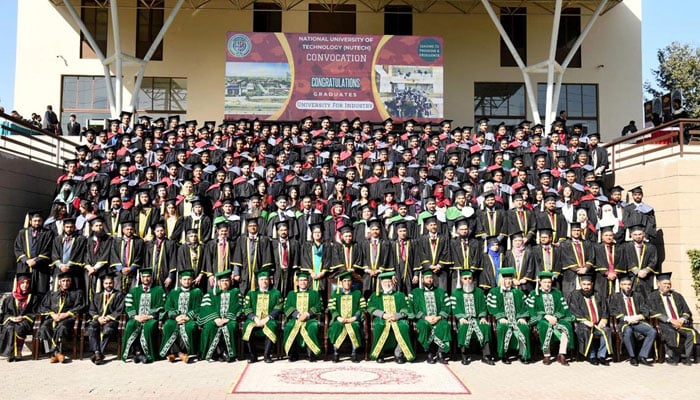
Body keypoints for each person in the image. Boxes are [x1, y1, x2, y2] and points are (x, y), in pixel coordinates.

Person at [648, 272, 698, 365]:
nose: (667, 286)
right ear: (658, 284)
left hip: (680, 322)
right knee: (671, 333)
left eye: (669, 284)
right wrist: (669, 320)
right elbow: (652, 312)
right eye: (665, 284)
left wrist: (682, 319)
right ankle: (672, 356)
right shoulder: (652, 296)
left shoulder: (677, 296)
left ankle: (686, 357)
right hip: (664, 323)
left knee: (691, 333)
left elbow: (687, 311)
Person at [527, 271, 574, 366]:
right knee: (544, 326)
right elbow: (531, 310)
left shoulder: (557, 293)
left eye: (549, 282)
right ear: (540, 282)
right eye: (545, 282)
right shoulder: (533, 294)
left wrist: (555, 317)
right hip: (542, 319)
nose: (547, 284)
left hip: (557, 318)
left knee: (567, 326)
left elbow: (563, 308)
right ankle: (547, 355)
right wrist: (545, 315)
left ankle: (561, 354)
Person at [607, 273, 656, 366]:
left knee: (652, 331)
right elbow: (613, 311)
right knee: (628, 331)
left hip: (638, 322)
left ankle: (642, 356)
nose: (627, 287)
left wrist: (638, 317)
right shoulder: (615, 297)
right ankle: (632, 357)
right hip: (624, 323)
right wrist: (626, 318)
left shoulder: (638, 296)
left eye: (629, 284)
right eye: (625, 284)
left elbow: (645, 309)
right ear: (621, 285)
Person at [367, 271, 415, 363]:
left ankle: (398, 354)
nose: (388, 284)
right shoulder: (376, 295)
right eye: (385, 282)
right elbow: (370, 308)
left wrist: (397, 316)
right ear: (381, 284)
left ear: (393, 283)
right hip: (382, 319)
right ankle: (379, 354)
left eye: (389, 282)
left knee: (403, 327)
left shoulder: (400, 295)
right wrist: (383, 314)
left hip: (397, 319)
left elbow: (406, 308)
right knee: (379, 326)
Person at [486, 267, 531, 364]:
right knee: (503, 327)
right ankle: (503, 355)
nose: (508, 281)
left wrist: (522, 317)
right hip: (502, 320)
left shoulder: (518, 292)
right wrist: (500, 317)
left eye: (510, 279)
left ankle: (523, 354)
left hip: (516, 319)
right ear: (501, 280)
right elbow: (491, 307)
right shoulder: (494, 292)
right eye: (506, 279)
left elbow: (525, 306)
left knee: (524, 328)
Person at [121, 268, 166, 363]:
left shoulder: (158, 290)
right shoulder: (134, 291)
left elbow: (162, 306)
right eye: (144, 277)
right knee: (130, 325)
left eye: (148, 276)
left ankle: (147, 354)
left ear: (152, 278)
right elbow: (128, 305)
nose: (146, 279)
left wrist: (150, 316)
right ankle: (135, 353)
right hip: (137, 317)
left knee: (149, 327)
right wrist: (135, 316)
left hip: (151, 318)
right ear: (140, 278)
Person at [39, 271, 85, 363]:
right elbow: (43, 306)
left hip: (68, 319)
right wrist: (52, 314)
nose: (65, 283)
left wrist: (67, 314)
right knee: (44, 327)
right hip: (53, 318)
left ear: (71, 281)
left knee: (62, 327)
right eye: (63, 281)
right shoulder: (52, 293)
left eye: (68, 280)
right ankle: (57, 353)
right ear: (59, 282)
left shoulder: (77, 293)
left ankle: (54, 353)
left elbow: (80, 306)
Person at [198, 269, 243, 362]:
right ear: (218, 282)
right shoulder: (211, 293)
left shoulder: (235, 292)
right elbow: (206, 307)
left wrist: (228, 318)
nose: (224, 283)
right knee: (209, 326)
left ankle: (230, 354)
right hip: (215, 319)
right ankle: (212, 353)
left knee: (231, 326)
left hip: (229, 320)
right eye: (222, 281)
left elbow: (238, 306)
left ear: (230, 281)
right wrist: (215, 318)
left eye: (226, 280)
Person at [159, 269, 203, 363]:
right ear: (180, 281)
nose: (187, 281)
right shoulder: (173, 292)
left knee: (191, 327)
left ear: (192, 280)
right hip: (175, 318)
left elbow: (200, 307)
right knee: (168, 326)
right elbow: (167, 307)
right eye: (184, 279)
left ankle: (182, 352)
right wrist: (176, 317)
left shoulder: (197, 292)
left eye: (189, 279)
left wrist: (188, 316)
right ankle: (179, 353)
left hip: (190, 319)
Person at [567, 274, 612, 365]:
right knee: (586, 331)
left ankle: (601, 356)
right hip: (582, 324)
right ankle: (592, 356)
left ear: (592, 284)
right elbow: (574, 310)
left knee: (607, 330)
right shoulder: (575, 295)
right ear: (580, 284)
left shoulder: (598, 294)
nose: (586, 286)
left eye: (588, 284)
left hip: (598, 324)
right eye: (584, 284)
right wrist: (585, 321)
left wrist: (603, 319)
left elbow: (604, 308)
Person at [451, 270, 494, 365]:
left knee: (485, 327)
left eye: (470, 278)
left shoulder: (479, 292)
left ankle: (486, 355)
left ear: (473, 280)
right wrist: (461, 318)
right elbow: (455, 308)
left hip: (477, 319)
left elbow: (483, 306)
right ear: (461, 280)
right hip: (464, 320)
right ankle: (464, 355)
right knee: (464, 328)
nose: (468, 281)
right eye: (465, 279)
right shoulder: (456, 293)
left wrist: (483, 317)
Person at [242, 269, 283, 363]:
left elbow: (278, 307)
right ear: (258, 281)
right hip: (254, 319)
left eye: (266, 279)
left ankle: (267, 355)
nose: (264, 281)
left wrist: (267, 318)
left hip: (270, 319)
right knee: (247, 326)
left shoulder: (276, 293)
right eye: (261, 279)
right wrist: (255, 318)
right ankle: (253, 355)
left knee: (272, 326)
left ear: (269, 280)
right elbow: (247, 308)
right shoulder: (251, 293)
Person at [409, 270, 451, 364]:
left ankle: (440, 353)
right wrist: (425, 317)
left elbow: (447, 306)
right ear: (422, 279)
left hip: (438, 318)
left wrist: (439, 317)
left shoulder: (441, 292)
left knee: (445, 326)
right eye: (427, 278)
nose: (429, 280)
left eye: (431, 278)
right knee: (423, 326)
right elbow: (413, 308)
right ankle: (430, 353)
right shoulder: (416, 292)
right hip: (423, 319)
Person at [282, 271, 323, 361]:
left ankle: (311, 353)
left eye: (305, 280)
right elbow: (287, 307)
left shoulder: (314, 293)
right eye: (300, 280)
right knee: (289, 326)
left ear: (308, 282)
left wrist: (307, 314)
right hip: (295, 319)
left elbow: (318, 306)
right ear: (297, 282)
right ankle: (293, 354)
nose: (302, 282)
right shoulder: (291, 294)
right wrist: (297, 315)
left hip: (310, 319)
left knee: (312, 327)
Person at [85, 272, 125, 365]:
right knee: (91, 327)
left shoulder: (119, 295)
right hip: (99, 319)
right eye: (106, 283)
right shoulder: (97, 295)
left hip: (111, 320)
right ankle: (98, 353)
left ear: (113, 283)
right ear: (103, 284)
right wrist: (98, 318)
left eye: (110, 283)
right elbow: (92, 310)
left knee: (108, 329)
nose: (108, 285)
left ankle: (99, 353)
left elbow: (120, 309)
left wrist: (108, 318)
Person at [327, 270, 366, 363]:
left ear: (351, 282)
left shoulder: (357, 293)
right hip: (339, 319)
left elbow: (362, 307)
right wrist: (338, 317)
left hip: (353, 320)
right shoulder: (335, 294)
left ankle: (354, 354)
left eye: (349, 281)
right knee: (336, 326)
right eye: (344, 281)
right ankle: (336, 353)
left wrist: (355, 317)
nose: (347, 283)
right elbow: (332, 308)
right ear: (340, 283)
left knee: (355, 326)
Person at [0, 273, 40, 361]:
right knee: (9, 326)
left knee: (19, 327)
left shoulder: (33, 298)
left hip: (27, 320)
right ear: (18, 284)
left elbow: (36, 312)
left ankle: (18, 352)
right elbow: (5, 313)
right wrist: (11, 318)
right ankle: (11, 353)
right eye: (22, 283)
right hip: (13, 319)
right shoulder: (10, 298)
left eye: (27, 283)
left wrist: (24, 317)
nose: (25, 285)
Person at [14, 210, 54, 297]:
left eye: (39, 221)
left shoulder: (48, 233)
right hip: (25, 266)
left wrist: (37, 260)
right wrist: (26, 260)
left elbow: (49, 248)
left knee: (41, 289)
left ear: (42, 221)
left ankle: (40, 308)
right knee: (25, 288)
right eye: (35, 221)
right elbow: (17, 248)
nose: (37, 223)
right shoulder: (22, 233)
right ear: (30, 221)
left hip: (41, 266)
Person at [622, 224, 658, 299]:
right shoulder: (626, 247)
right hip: (631, 277)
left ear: (644, 234)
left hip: (646, 278)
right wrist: (637, 271)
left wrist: (645, 271)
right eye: (635, 234)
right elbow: (625, 260)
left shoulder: (651, 247)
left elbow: (653, 261)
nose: (638, 236)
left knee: (646, 298)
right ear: (631, 235)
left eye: (640, 234)